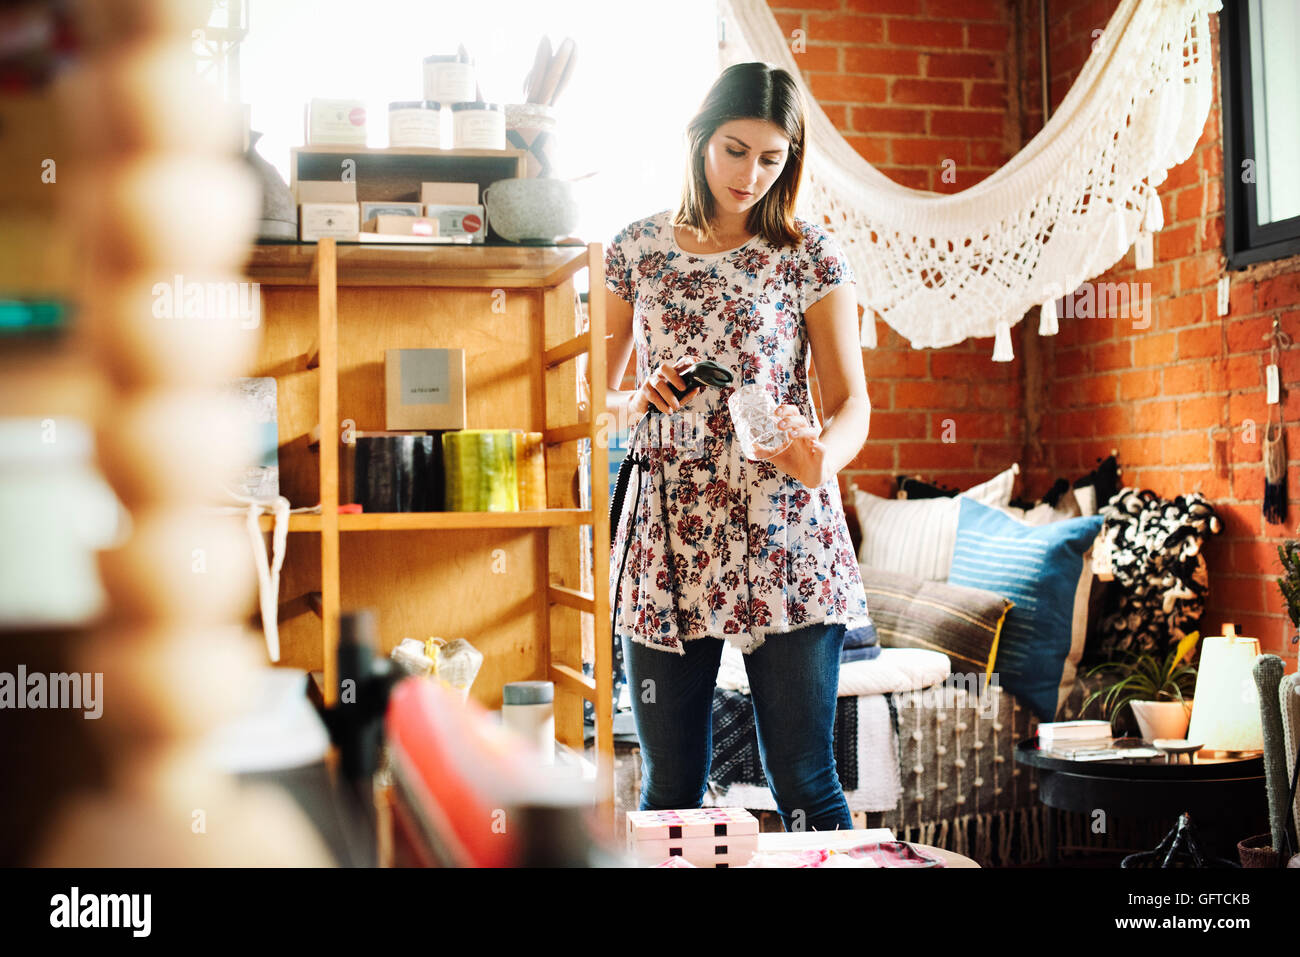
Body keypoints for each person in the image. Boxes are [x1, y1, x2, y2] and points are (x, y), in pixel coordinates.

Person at [603, 61, 873, 833]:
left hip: (786, 523)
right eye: (733, 150)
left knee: (806, 782)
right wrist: (636, 397)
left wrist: (825, 454)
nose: (749, 174)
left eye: (771, 158)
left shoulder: (808, 252)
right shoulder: (636, 250)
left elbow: (852, 399)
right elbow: (592, 395)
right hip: (667, 535)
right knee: (670, 790)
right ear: (698, 139)